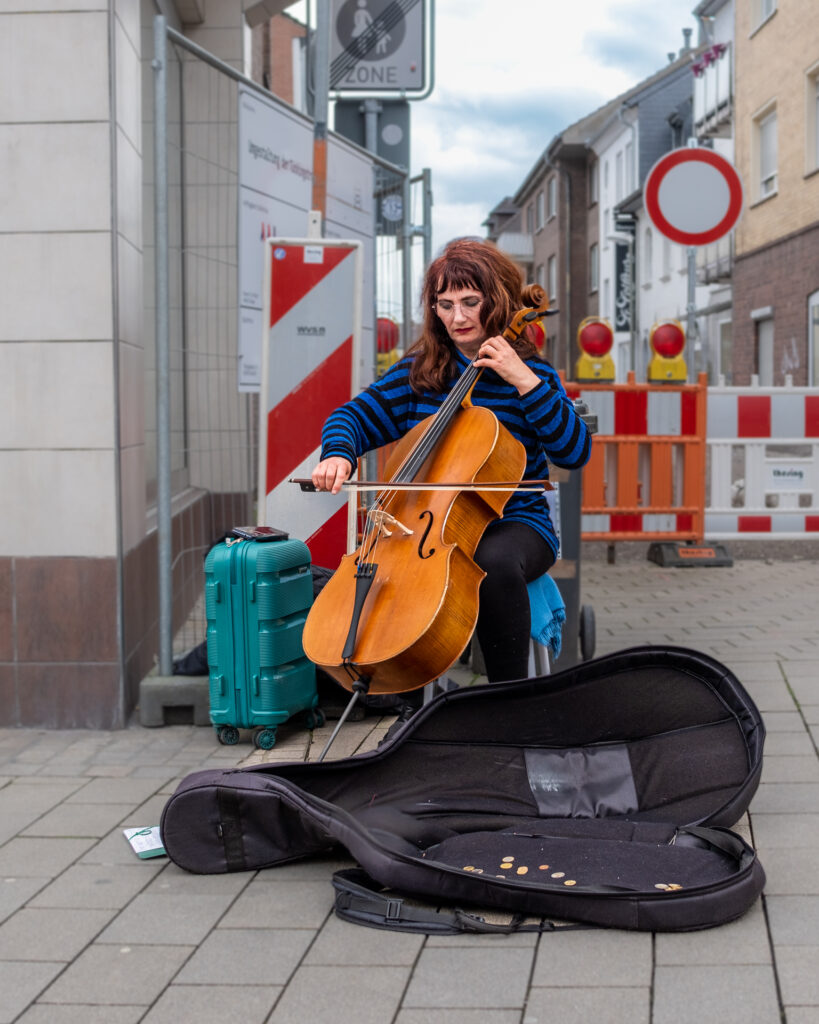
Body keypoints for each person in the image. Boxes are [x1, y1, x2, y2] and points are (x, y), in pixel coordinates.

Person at [311, 236, 592, 688]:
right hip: (423, 526)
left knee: (492, 560)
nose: (457, 317)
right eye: (445, 304)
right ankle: (400, 696)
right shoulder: (421, 373)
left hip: (515, 523)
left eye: (470, 302)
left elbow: (573, 451)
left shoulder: (533, 376)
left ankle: (507, 701)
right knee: (397, 575)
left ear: (497, 301)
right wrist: (339, 453)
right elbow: (353, 416)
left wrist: (524, 381)